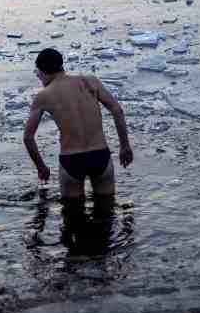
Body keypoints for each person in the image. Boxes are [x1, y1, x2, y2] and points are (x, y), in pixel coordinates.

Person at [23, 47, 133, 200]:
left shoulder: (43, 96)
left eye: (39, 75)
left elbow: (28, 137)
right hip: (100, 154)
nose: (40, 80)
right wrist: (125, 146)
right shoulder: (89, 81)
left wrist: (41, 167)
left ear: (43, 71)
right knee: (107, 209)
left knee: (72, 217)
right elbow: (117, 110)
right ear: (61, 65)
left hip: (71, 159)